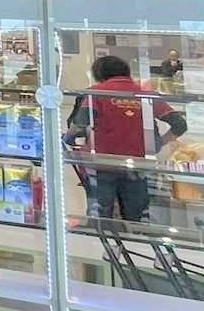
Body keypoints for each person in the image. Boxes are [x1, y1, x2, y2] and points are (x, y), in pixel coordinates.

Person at [66, 54, 186, 224]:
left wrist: (68, 139)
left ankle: (104, 237)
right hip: (138, 164)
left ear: (99, 74)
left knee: (100, 214)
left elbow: (79, 125)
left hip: (102, 163)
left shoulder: (95, 93)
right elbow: (180, 124)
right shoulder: (146, 95)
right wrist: (159, 143)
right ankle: (133, 236)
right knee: (136, 216)